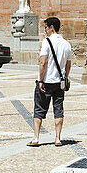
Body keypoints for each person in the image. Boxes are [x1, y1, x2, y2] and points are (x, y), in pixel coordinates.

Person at [29, 16, 72, 147]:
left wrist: (41, 80)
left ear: (51, 28)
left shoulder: (46, 42)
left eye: (46, 27)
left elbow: (43, 62)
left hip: (46, 81)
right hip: (59, 82)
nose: (45, 30)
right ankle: (58, 138)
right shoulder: (66, 44)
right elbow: (68, 64)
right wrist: (65, 76)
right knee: (58, 109)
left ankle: (36, 138)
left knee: (39, 109)